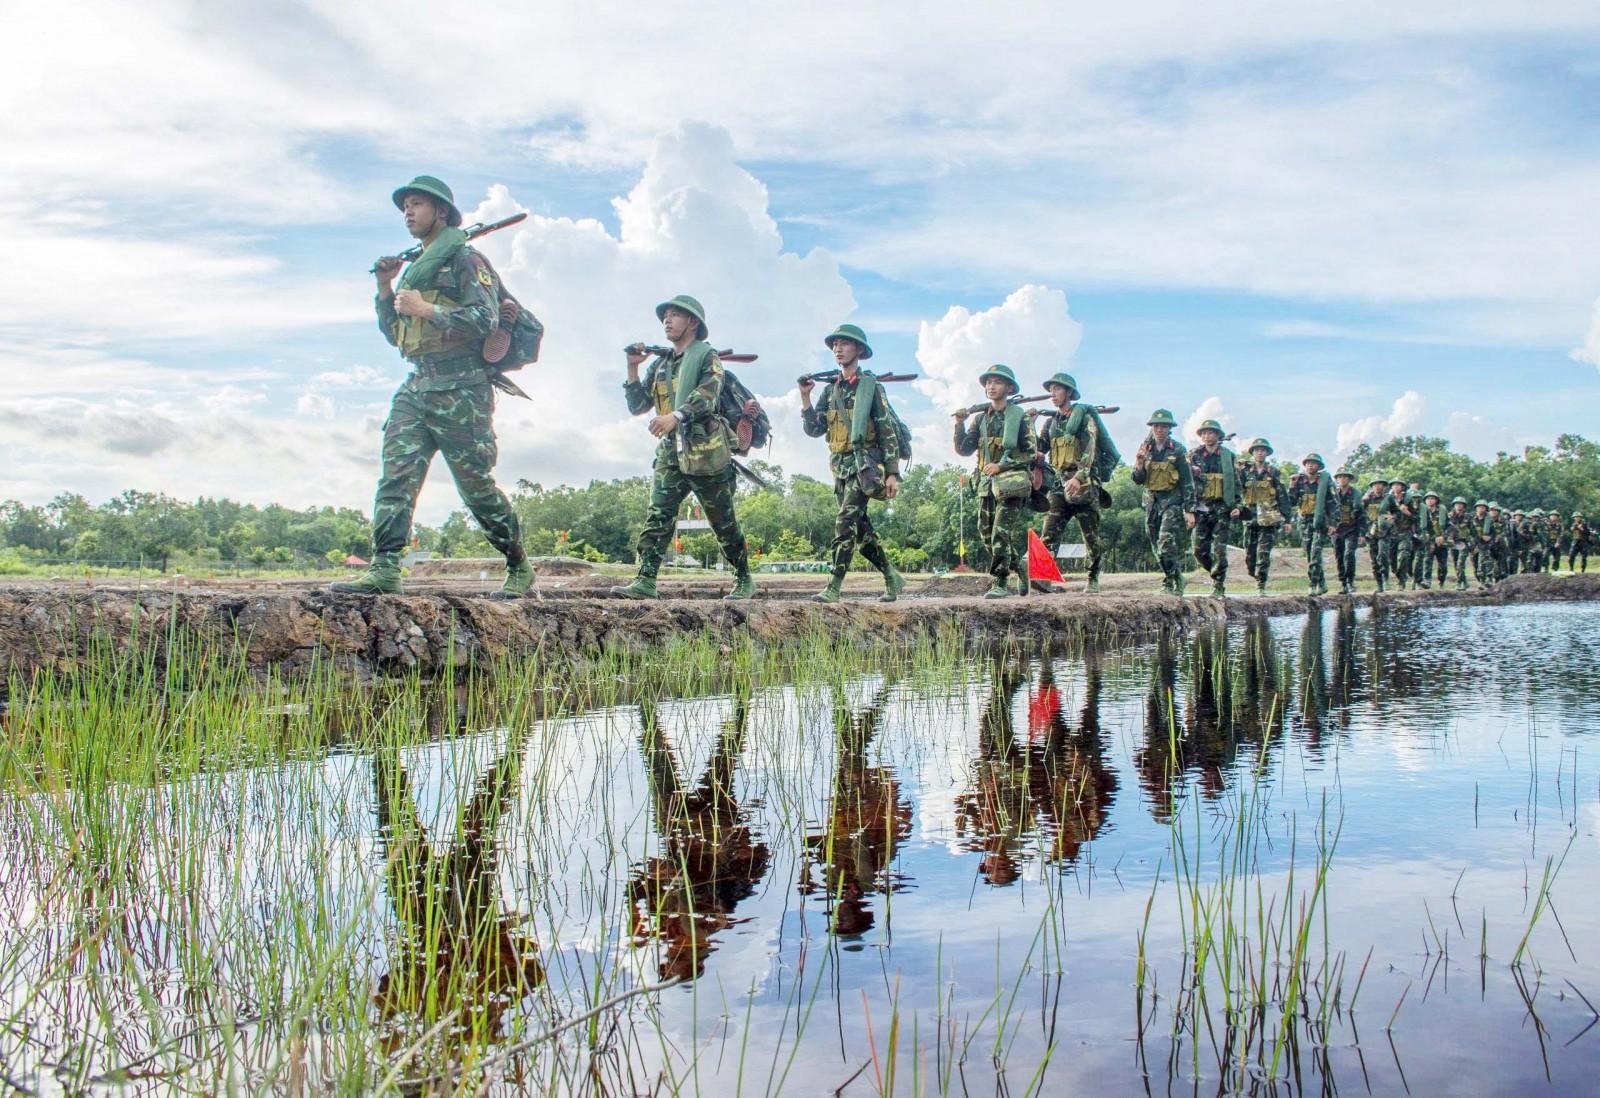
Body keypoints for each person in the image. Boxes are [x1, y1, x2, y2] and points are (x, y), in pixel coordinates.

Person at [334, 175, 531, 597]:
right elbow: (395, 334)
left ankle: (518, 565)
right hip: (418, 385)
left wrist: (429, 308)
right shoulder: (415, 269)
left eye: (418, 204)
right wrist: (385, 287)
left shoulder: (466, 261)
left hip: (462, 388)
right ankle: (385, 567)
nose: (408, 212)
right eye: (405, 205)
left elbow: (485, 321)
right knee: (396, 476)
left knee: (475, 485)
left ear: (440, 211)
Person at [611, 295, 754, 600]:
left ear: (692, 322)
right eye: (665, 316)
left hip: (706, 450)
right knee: (659, 514)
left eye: (676, 315)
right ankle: (645, 579)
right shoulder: (660, 365)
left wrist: (676, 416)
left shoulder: (707, 357)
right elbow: (638, 405)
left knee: (722, 520)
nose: (667, 320)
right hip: (670, 452)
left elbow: (708, 396)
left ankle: (743, 577)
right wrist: (633, 369)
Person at [800, 323, 905, 603]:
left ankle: (834, 585)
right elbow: (813, 430)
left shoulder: (871, 388)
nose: (838, 349)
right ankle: (892, 576)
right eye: (835, 344)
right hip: (840, 467)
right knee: (861, 532)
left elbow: (886, 430)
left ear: (858, 349)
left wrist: (893, 473)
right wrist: (805, 397)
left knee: (844, 522)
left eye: (844, 344)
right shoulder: (830, 390)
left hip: (865, 466)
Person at [954, 365, 1037, 598]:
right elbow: (964, 449)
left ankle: (999, 581)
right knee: (986, 534)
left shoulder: (1019, 417)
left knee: (1000, 532)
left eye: (997, 382)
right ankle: (1020, 568)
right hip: (985, 485)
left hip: (1011, 484)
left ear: (1009, 388)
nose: (991, 386)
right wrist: (959, 423)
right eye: (988, 382)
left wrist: (1002, 465)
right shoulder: (980, 419)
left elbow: (1031, 454)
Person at [1033, 371, 1112, 593]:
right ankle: (1043, 578)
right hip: (1060, 484)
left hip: (1084, 484)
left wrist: (1079, 476)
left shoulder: (1084, 420)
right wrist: (1029, 424)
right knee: (1049, 531)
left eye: (1057, 389)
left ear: (1068, 392)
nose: (1053, 393)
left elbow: (1090, 448)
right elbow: (1040, 448)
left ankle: (1093, 578)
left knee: (1091, 536)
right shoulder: (1051, 423)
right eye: (1051, 389)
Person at [1131, 409, 1196, 594]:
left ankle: (1170, 580)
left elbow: (1187, 481)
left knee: (1165, 542)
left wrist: (1189, 509)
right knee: (1155, 545)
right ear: (1152, 428)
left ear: (1170, 429)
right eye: (1156, 426)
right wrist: (1139, 463)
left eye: (1164, 426)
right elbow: (1137, 479)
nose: (1159, 429)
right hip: (1151, 501)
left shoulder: (1177, 450)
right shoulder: (1145, 449)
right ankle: (1174, 577)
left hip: (1171, 501)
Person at [1188, 419, 1240, 596]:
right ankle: (1214, 573)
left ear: (1218, 435)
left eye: (1211, 432)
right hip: (1201, 508)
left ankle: (1218, 584)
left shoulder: (1228, 456)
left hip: (1222, 509)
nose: (1207, 435)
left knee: (1219, 549)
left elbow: (1237, 483)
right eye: (1204, 433)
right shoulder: (1194, 455)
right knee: (1198, 550)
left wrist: (1237, 505)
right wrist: (1188, 508)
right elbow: (1188, 483)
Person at [1235, 438, 1290, 595]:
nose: (1260, 452)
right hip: (1249, 517)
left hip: (1269, 518)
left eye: (1263, 450)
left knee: (1263, 552)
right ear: (1253, 453)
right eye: (1257, 450)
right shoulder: (1244, 471)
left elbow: (1282, 496)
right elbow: (1238, 491)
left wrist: (1287, 519)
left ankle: (1261, 584)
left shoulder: (1273, 472)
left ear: (1267, 453)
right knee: (1249, 554)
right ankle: (1255, 574)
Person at [1290, 453, 1335, 595]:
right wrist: (1291, 486)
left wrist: (1333, 523)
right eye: (1308, 463)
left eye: (1314, 463)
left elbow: (1334, 504)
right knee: (1310, 554)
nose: (1310, 465)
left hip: (1320, 522)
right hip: (1304, 522)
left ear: (1319, 466)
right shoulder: (1299, 481)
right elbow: (1291, 502)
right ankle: (1322, 583)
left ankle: (1313, 584)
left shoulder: (1325, 482)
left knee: (1315, 553)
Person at [1328, 469, 1366, 595]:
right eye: (1340, 477)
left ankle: (1350, 581)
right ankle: (1343, 583)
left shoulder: (1356, 493)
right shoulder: (1333, 493)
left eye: (1345, 477)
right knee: (1339, 556)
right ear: (1337, 479)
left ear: (1349, 479)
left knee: (1349, 554)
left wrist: (1362, 533)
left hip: (1352, 529)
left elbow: (1360, 513)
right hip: (1337, 530)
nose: (1342, 479)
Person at [1381, 479, 1420, 590]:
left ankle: (1401, 582)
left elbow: (1416, 517)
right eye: (1394, 485)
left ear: (1403, 487)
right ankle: (1398, 575)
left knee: (1404, 556)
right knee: (1391, 560)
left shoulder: (1409, 500)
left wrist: (1407, 513)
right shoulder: (1387, 499)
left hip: (1405, 532)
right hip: (1391, 533)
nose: (1396, 487)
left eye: (1399, 485)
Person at [1361, 476, 1392, 591]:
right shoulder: (1367, 499)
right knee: (1374, 560)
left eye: (1380, 484)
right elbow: (1359, 513)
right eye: (1375, 484)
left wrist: (1392, 517)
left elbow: (1397, 513)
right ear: (1372, 487)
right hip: (1371, 532)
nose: (1378, 486)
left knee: (1383, 555)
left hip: (1384, 532)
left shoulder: (1389, 498)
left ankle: (1386, 580)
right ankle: (1379, 583)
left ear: (1384, 486)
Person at [1441, 497, 1473, 590]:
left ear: (1464, 506)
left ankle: (1459, 583)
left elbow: (1473, 530)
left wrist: (1472, 542)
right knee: (1456, 563)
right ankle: (1465, 582)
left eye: (1461, 504)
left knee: (1460, 563)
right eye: (1457, 504)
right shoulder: (1449, 516)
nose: (1459, 506)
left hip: (1464, 542)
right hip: (1453, 543)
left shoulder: (1468, 517)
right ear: (1454, 506)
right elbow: (1445, 528)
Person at [1417, 490, 1445, 589]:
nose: (1430, 500)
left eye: (1432, 498)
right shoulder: (1422, 512)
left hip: (1442, 541)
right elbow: (1421, 528)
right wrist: (1430, 541)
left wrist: (1443, 537)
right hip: (1428, 541)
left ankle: (1441, 583)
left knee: (1442, 564)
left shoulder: (1442, 512)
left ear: (1436, 500)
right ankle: (1427, 581)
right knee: (1427, 561)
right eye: (1428, 499)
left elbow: (1449, 527)